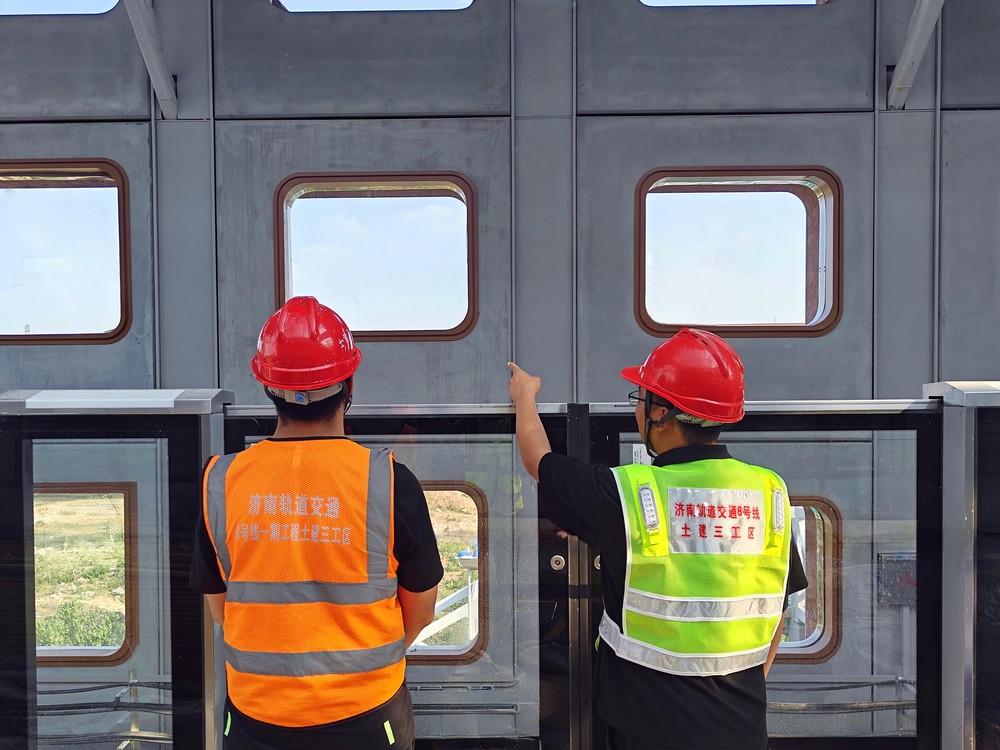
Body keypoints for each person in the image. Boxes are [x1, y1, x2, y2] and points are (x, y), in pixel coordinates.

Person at [508, 328, 807, 750]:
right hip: (741, 726)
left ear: (661, 414)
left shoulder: (626, 493)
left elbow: (538, 461)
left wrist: (525, 396)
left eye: (642, 399)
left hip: (644, 728)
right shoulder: (768, 491)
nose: (638, 408)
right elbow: (778, 606)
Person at [190, 296, 443, 750]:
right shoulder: (388, 481)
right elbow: (421, 610)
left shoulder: (220, 482)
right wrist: (361, 665)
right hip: (366, 717)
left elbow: (221, 611)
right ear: (349, 384)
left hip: (255, 720)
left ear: (268, 388)